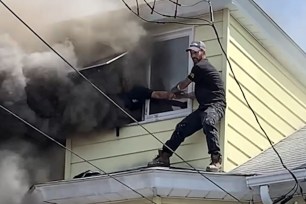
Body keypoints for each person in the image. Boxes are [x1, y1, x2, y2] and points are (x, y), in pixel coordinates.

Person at [147, 41, 226, 172]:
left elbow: (184, 84)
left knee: (208, 121)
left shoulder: (201, 67)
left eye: (195, 52)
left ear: (203, 52)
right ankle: (164, 157)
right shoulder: (202, 72)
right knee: (181, 128)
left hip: (216, 106)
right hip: (204, 107)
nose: (193, 55)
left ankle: (216, 160)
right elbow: (199, 93)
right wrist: (185, 96)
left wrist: (174, 91)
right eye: (191, 53)